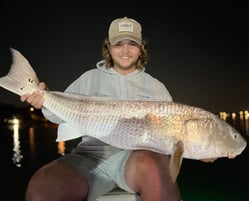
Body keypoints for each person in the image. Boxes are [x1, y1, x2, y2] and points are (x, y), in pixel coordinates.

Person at [22, 17, 214, 201]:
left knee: (154, 165)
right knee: (41, 189)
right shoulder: (88, 78)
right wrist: (43, 100)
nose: (125, 50)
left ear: (141, 48)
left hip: (136, 159)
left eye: (132, 43)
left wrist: (199, 148)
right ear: (109, 48)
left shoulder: (156, 87)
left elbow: (171, 136)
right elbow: (57, 115)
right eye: (118, 44)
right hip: (89, 157)